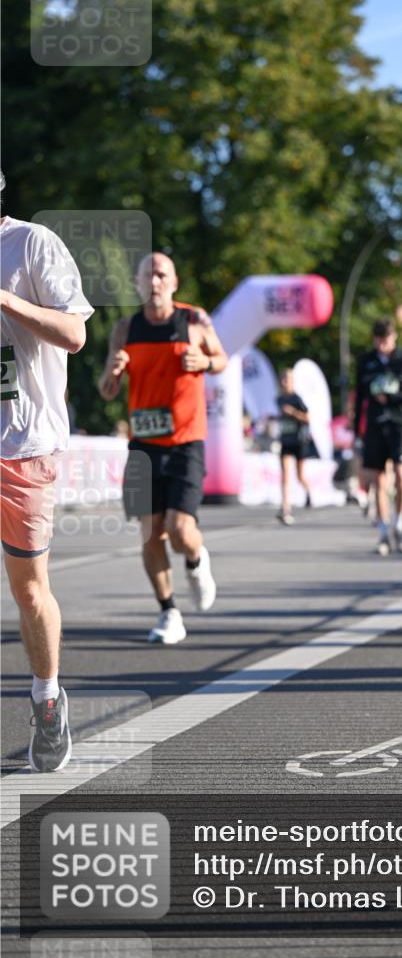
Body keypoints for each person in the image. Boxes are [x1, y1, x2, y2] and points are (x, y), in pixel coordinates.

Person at [1, 173, 93, 771]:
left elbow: (75, 334)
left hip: (23, 447)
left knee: (29, 590)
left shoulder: (32, 244)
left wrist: (4, 298)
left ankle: (46, 698)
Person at [98, 252, 227, 643]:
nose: (154, 282)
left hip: (186, 441)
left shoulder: (195, 320)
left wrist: (204, 361)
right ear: (138, 284)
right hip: (142, 445)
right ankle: (169, 612)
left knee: (180, 529)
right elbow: (106, 392)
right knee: (150, 533)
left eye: (161, 274)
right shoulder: (125, 329)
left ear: (174, 281)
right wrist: (114, 371)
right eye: (147, 276)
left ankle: (195, 558)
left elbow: (222, 358)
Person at [354, 318, 402, 555]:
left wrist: (392, 398)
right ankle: (383, 533)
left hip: (399, 423)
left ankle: (399, 525)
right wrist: (357, 433)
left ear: (394, 338)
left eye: (386, 341)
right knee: (379, 481)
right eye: (378, 342)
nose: (382, 346)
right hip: (374, 425)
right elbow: (360, 398)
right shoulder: (366, 361)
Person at [275, 367, 311, 525]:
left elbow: (307, 418)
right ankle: (285, 508)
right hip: (285, 440)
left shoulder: (297, 399)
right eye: (283, 379)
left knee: (299, 476)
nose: (285, 382)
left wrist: (293, 413)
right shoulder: (279, 399)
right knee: (285, 476)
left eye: (287, 379)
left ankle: (308, 492)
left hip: (299, 441)